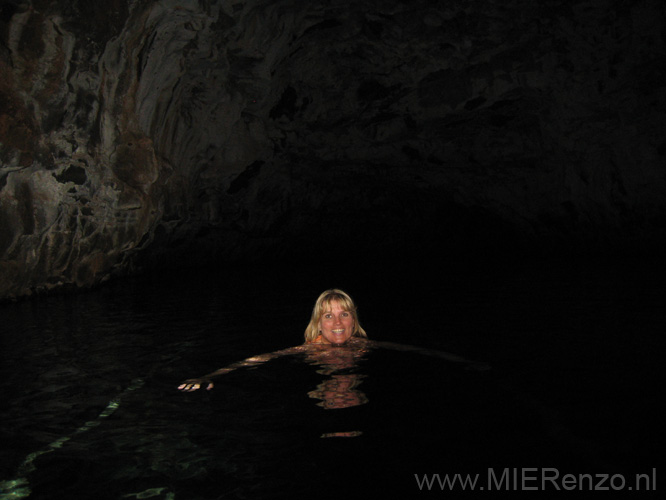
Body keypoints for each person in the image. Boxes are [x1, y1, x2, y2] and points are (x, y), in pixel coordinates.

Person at [177, 289, 488, 394]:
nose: (337, 323)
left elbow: (416, 352)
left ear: (354, 320)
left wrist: (463, 363)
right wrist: (209, 376)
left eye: (344, 314)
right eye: (328, 316)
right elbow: (257, 360)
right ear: (318, 325)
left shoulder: (365, 346)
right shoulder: (308, 350)